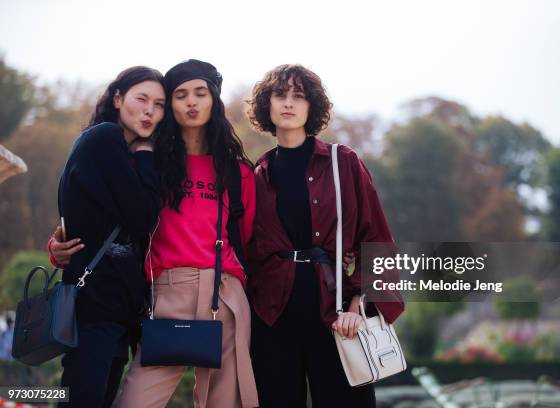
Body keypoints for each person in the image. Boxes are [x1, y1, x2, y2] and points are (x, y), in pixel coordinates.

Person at [246, 64, 405, 407]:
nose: (288, 103)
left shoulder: (342, 162)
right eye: (280, 95)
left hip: (334, 316)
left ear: (311, 106)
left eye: (298, 96)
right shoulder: (257, 173)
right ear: (267, 105)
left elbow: (376, 238)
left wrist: (357, 305)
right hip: (272, 317)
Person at [112, 59, 259, 408]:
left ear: (214, 101)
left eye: (200, 93)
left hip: (225, 296)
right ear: (170, 106)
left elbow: (249, 240)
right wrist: (58, 245)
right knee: (135, 401)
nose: (191, 102)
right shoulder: (149, 165)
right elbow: (112, 219)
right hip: (166, 295)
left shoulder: (238, 174)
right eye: (180, 95)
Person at [51, 66, 165, 407]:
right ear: (117, 98)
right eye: (141, 99)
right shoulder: (103, 138)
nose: (149, 111)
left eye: (158, 105)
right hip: (95, 305)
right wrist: (146, 153)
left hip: (119, 308)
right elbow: (143, 216)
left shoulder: (114, 152)